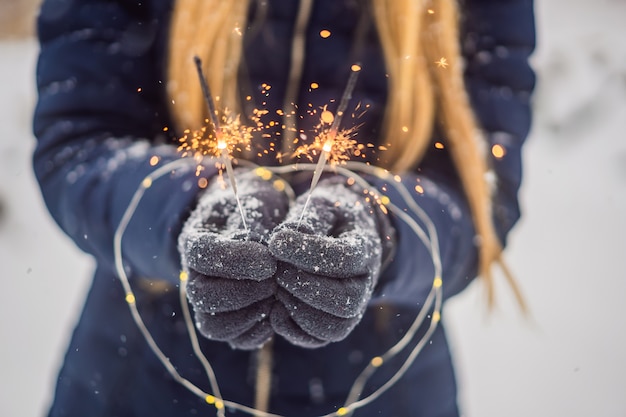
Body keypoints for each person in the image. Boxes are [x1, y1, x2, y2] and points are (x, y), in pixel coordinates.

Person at [33, 0, 535, 416]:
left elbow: (480, 198)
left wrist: (385, 231)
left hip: (390, 395)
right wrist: (183, 206)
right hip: (132, 385)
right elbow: (78, 145)